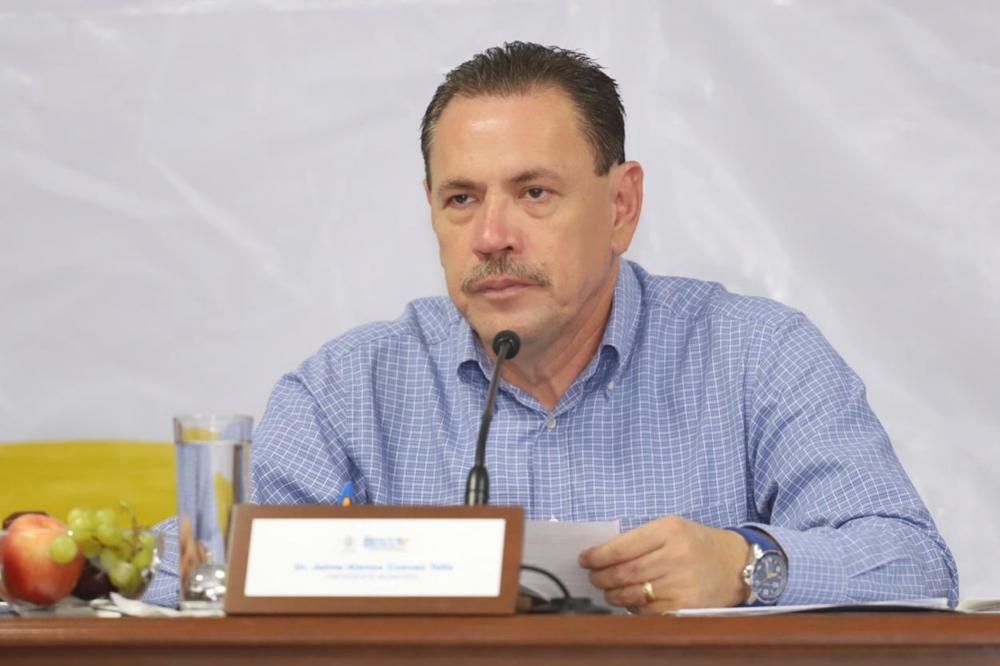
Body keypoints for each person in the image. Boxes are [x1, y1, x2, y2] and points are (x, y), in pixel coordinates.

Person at [145, 41, 957, 611]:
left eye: (534, 193)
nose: (491, 235)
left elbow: (915, 562)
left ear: (622, 205)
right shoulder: (350, 390)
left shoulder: (755, 356)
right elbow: (191, 570)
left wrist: (747, 566)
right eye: (461, 199)